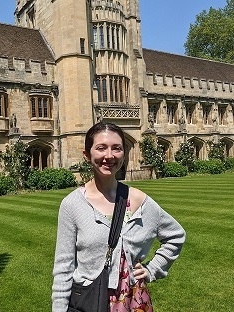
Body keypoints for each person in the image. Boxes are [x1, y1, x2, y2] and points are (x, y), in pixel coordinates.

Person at [52, 122, 186, 312]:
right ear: (87, 155)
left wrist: (151, 269)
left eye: (117, 148)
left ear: (124, 153)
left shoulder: (139, 200)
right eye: (101, 148)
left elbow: (176, 235)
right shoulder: (72, 204)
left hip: (134, 302)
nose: (109, 156)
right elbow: (63, 268)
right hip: (90, 301)